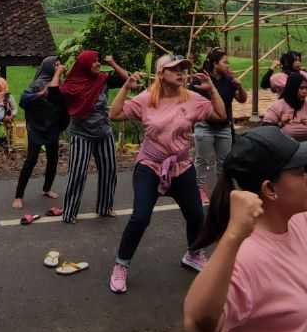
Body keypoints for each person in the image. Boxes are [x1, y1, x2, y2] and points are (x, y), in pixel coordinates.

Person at [182, 127, 307, 332]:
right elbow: (197, 325)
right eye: (299, 172)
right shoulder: (246, 257)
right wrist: (231, 237)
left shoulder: (296, 220)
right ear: (270, 189)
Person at [107, 54, 227, 294]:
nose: (181, 73)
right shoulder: (145, 99)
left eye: (183, 69)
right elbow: (115, 114)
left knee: (195, 214)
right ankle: (121, 265)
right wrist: (125, 87)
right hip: (150, 165)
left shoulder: (192, 99)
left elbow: (220, 116)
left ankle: (193, 254)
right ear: (161, 73)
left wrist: (212, 89)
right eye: (174, 69)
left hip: (181, 166)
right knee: (140, 217)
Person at [57, 50, 129, 222]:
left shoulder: (102, 80)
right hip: (81, 135)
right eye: (94, 61)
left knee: (109, 170)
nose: (98, 64)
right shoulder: (71, 86)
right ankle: (69, 213)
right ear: (84, 65)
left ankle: (105, 207)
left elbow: (126, 78)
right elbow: (55, 94)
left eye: (98, 61)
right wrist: (58, 73)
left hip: (104, 132)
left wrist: (112, 63)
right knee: (78, 173)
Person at [261, 72, 307, 196]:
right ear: (292, 88)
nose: (305, 91)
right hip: (286, 151)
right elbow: (264, 129)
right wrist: (280, 123)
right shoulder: (278, 106)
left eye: (306, 88)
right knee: (288, 186)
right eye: (301, 88)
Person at [14, 56, 67, 209]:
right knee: (31, 160)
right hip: (36, 128)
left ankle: (47, 189)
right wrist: (40, 94)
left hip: (52, 128)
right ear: (49, 67)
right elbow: (23, 100)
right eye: (56, 64)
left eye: (59, 64)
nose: (59, 67)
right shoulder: (37, 84)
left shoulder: (60, 84)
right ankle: (18, 196)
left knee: (53, 159)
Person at [194, 49, 246, 200]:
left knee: (225, 162)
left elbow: (242, 99)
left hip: (224, 127)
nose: (228, 65)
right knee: (202, 160)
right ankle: (199, 190)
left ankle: (221, 191)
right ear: (215, 64)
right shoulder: (202, 79)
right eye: (225, 62)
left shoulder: (229, 80)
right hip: (205, 126)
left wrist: (240, 87)